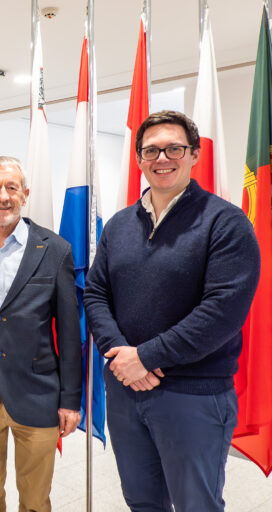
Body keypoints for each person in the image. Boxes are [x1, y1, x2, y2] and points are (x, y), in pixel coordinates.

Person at [84, 110, 261, 512]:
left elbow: (221, 312)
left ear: (194, 154)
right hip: (126, 390)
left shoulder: (225, 223)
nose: (162, 158)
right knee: (142, 502)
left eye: (174, 148)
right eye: (151, 150)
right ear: (139, 159)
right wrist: (121, 355)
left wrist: (146, 357)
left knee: (196, 504)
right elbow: (95, 293)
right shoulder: (118, 225)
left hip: (193, 394)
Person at [0, 156, 82, 512]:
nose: (3, 196)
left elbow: (69, 332)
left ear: (25, 194)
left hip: (38, 396)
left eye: (11, 188)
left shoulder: (54, 249)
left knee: (36, 501)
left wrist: (71, 399)